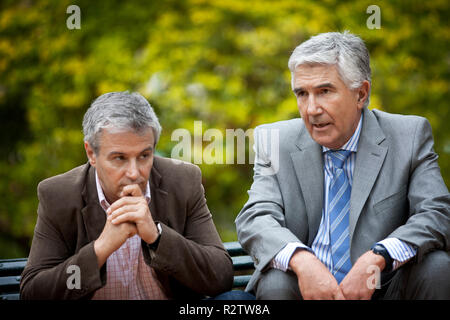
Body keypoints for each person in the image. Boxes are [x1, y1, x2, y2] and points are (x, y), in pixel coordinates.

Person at [235, 31, 450, 300]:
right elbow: (256, 217)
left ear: (361, 94)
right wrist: (302, 261)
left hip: (384, 289)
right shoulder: (275, 141)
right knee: (276, 281)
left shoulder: (408, 136)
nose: (311, 109)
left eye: (325, 91)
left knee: (437, 267)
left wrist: (378, 257)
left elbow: (437, 211)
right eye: (302, 93)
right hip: (307, 291)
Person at [20, 91, 234, 299]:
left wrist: (157, 237)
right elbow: (33, 293)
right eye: (119, 158)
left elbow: (220, 277)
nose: (134, 172)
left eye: (144, 155)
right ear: (91, 153)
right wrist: (99, 250)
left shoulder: (182, 181)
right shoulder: (59, 195)